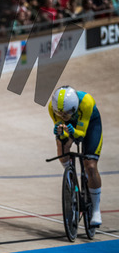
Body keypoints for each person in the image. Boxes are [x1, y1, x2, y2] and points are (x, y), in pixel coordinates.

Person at [49, 86, 103, 226]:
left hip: (90, 125)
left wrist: (73, 132)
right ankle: (71, 178)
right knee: (61, 146)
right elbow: (62, 133)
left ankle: (96, 210)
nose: (62, 116)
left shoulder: (86, 102)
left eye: (66, 114)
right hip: (71, 125)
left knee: (90, 165)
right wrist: (60, 133)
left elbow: (81, 135)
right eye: (60, 114)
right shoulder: (52, 107)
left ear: (74, 108)